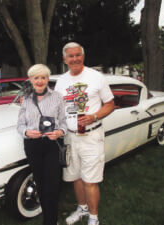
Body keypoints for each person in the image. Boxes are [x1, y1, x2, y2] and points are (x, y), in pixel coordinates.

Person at [54, 42, 114, 225]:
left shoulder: (96, 77)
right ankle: (82, 208)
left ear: (83, 56)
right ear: (65, 59)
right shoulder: (61, 80)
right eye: (70, 56)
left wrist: (94, 116)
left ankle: (94, 218)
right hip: (70, 136)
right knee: (76, 177)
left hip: (91, 135)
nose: (75, 59)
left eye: (77, 55)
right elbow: (57, 107)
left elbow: (110, 104)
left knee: (90, 179)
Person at [17, 64, 67, 225]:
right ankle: (49, 218)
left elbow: (64, 123)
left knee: (52, 186)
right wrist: (26, 132)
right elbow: (19, 124)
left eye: (43, 77)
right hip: (33, 146)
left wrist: (59, 132)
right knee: (41, 184)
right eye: (36, 78)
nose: (40, 81)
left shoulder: (58, 97)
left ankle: (50, 221)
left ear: (47, 79)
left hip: (52, 144)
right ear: (31, 80)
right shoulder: (25, 100)